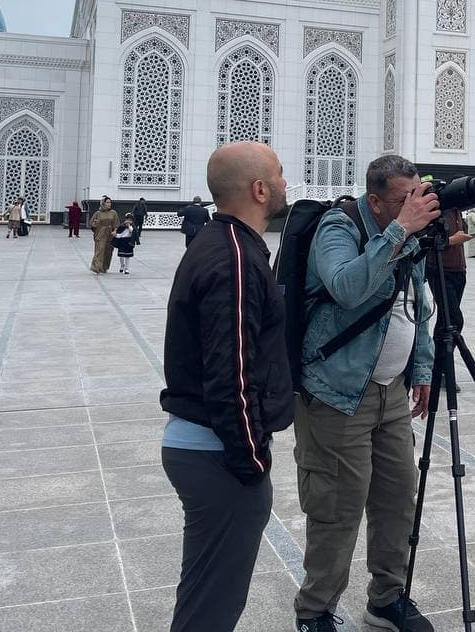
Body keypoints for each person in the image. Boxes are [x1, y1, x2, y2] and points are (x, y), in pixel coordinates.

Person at [293, 154, 438, 632]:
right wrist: (399, 231)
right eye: (402, 200)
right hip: (336, 394)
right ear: (375, 201)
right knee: (337, 509)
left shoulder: (407, 231)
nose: (413, 207)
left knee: (398, 500)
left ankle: (386, 599)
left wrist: (421, 366)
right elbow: (346, 287)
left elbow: (415, 303)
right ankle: (314, 611)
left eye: (416, 196)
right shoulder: (339, 227)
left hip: (390, 394)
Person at [160, 141, 294, 632]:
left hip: (205, 448)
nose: (284, 183)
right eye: (278, 175)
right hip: (219, 456)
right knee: (211, 609)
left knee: (205, 595)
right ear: (259, 189)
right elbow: (230, 374)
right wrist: (252, 461)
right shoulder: (234, 258)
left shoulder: (222, 245)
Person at [89, 196, 120, 274]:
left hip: (110, 234)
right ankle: (96, 267)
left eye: (110, 202)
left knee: (108, 251)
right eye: (107, 202)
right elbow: (91, 223)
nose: (109, 204)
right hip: (100, 234)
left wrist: (115, 231)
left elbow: (116, 223)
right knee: (99, 250)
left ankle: (104, 267)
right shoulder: (98, 213)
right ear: (103, 203)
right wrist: (94, 224)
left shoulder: (113, 213)